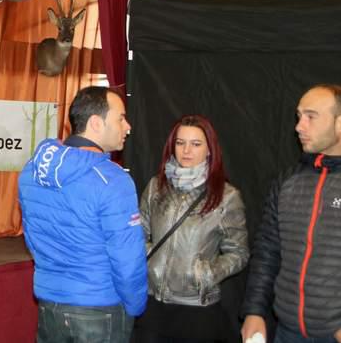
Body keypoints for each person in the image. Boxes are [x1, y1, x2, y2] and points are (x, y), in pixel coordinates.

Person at [18, 86, 148, 343]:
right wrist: (136, 306)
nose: (128, 126)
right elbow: (128, 259)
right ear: (96, 123)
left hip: (50, 305)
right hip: (101, 311)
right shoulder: (112, 180)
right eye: (121, 118)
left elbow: (33, 240)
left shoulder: (31, 172)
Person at [241, 84, 341, 343]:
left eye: (311, 116)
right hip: (287, 333)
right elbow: (267, 252)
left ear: (340, 123)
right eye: (299, 116)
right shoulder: (288, 181)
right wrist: (254, 310)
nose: (299, 126)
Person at [136, 115, 249, 343]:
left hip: (197, 309)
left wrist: (208, 273)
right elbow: (137, 235)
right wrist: (148, 256)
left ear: (209, 149)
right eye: (180, 143)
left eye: (196, 144)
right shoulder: (155, 188)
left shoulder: (226, 197)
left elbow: (239, 252)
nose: (186, 150)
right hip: (152, 303)